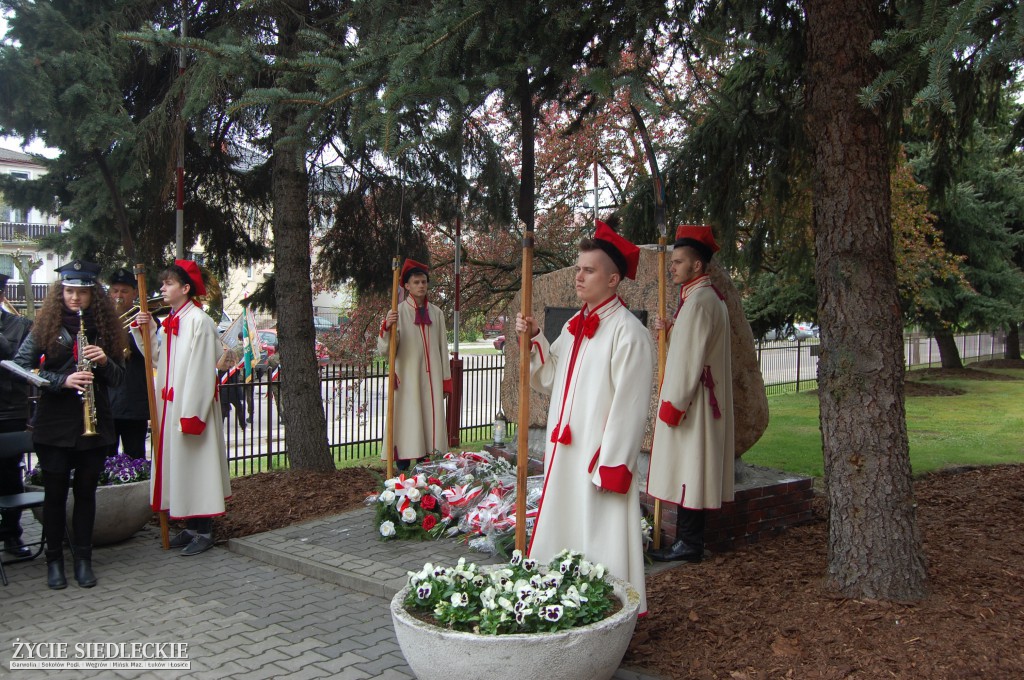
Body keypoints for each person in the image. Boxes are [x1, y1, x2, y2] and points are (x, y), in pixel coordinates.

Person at [515, 220, 654, 614]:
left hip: (596, 457)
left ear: (613, 279)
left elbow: (630, 404)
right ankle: (564, 599)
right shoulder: (576, 326)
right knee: (569, 526)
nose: (578, 276)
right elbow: (550, 377)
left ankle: (609, 611)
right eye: (577, 268)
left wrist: (612, 464)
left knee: (601, 533)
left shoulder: (629, 333)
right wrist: (537, 337)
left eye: (588, 270)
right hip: (566, 454)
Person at [13, 260, 126, 589]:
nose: (75, 298)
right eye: (69, 291)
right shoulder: (45, 326)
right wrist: (61, 380)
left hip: (94, 422)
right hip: (55, 423)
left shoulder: (106, 328)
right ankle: (54, 562)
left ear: (94, 296)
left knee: (87, 493)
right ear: (60, 292)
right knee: (54, 494)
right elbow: (21, 366)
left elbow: (118, 379)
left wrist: (104, 361)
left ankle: (83, 559)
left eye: (83, 293)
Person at [647, 224, 735, 563]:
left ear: (697, 266)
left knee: (690, 470)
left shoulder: (698, 303)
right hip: (697, 399)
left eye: (679, 262)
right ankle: (689, 541)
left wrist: (674, 404)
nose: (672, 267)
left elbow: (688, 361)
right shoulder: (701, 299)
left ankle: (690, 542)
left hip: (693, 402)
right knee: (691, 469)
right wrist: (671, 332)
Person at [133, 260, 231, 557]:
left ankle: (205, 529)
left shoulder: (199, 321)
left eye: (169, 284)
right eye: (163, 283)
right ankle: (190, 525)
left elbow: (203, 372)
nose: (162, 288)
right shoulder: (172, 319)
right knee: (182, 468)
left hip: (191, 408)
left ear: (185, 288)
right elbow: (158, 358)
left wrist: (192, 413)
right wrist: (147, 329)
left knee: (197, 468)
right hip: (172, 406)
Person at [377, 258, 452, 471]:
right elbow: (385, 350)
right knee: (407, 421)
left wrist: (446, 381)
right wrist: (387, 328)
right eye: (416, 282)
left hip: (432, 380)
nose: (421, 286)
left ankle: (425, 470)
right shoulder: (397, 312)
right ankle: (402, 470)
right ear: (407, 286)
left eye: (424, 282)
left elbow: (442, 348)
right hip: (408, 379)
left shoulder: (436, 313)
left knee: (430, 426)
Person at [0, 273, 34, 558]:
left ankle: (12, 535)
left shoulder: (19, 325)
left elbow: (21, 364)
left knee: (11, 474)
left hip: (9, 411)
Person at [105, 268, 151, 460]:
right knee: (106, 457)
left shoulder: (146, 319)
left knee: (135, 455)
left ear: (134, 293)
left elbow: (150, 353)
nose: (118, 296)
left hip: (134, 400)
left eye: (124, 291)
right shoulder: (102, 321)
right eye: (115, 291)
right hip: (107, 400)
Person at [217, 347, 247, 430]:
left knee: (223, 410)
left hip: (223, 392)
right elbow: (236, 382)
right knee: (239, 409)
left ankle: (220, 427)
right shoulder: (234, 369)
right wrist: (240, 395)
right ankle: (243, 425)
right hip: (233, 392)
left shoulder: (220, 367)